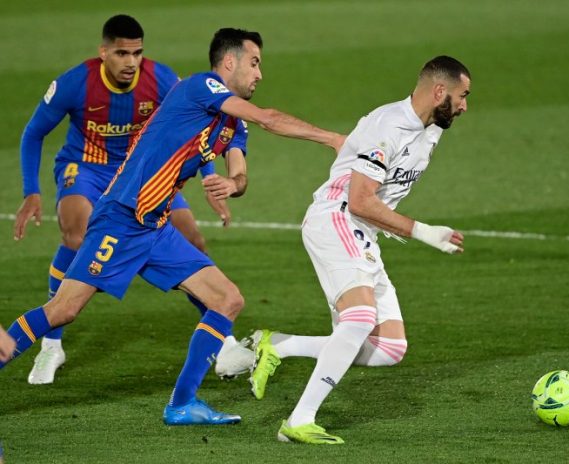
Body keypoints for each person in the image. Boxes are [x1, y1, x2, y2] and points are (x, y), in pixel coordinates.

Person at [0, 27, 343, 426]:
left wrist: (233, 184)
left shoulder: (233, 124)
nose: (259, 74)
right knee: (63, 309)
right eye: (254, 63)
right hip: (123, 218)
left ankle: (182, 405)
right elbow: (268, 118)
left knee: (226, 299)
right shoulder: (200, 87)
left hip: (156, 227)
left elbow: (241, 172)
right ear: (229, 63)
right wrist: (332, 138)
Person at [249, 55, 470, 444]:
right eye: (462, 95)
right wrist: (423, 232)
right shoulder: (388, 125)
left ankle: (279, 345)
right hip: (337, 217)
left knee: (389, 347)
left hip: (362, 231)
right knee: (359, 319)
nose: (465, 106)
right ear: (440, 92)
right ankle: (299, 420)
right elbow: (361, 201)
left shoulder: (432, 129)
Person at [12, 14, 236, 385]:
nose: (131, 62)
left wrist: (210, 179)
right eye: (121, 53)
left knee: (193, 238)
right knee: (76, 229)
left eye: (137, 53)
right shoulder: (76, 82)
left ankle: (222, 338)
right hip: (87, 166)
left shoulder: (162, 79)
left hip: (143, 174)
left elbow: (198, 126)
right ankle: (51, 344)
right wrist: (30, 191)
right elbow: (33, 132)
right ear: (103, 53)